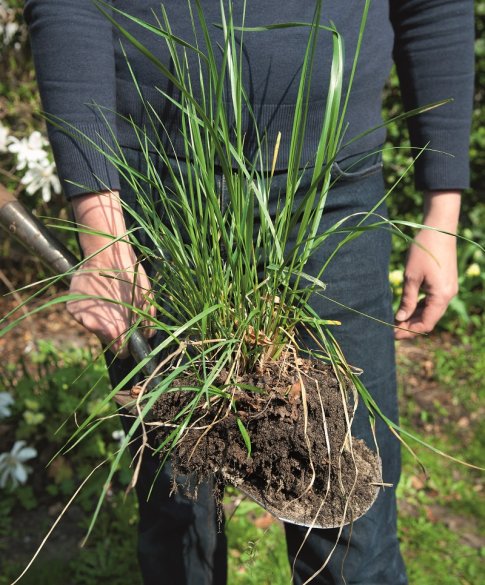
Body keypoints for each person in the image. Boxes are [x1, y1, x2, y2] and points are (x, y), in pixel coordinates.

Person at [23, 1, 474, 583]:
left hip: (333, 195)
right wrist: (99, 221)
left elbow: (434, 6)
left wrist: (442, 210)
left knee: (347, 517)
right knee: (178, 504)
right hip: (161, 194)